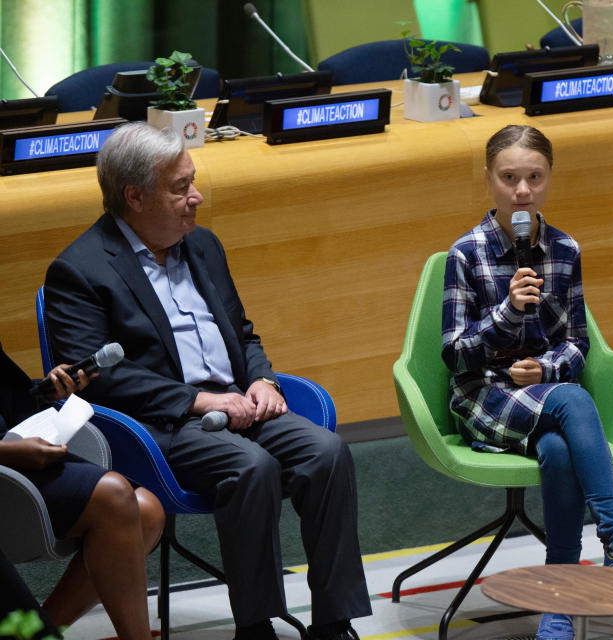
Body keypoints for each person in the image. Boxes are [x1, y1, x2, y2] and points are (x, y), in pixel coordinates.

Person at [42, 122, 370, 640]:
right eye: (179, 187)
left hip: (241, 404)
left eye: (192, 181)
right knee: (252, 466)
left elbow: (242, 332)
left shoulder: (202, 246)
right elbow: (100, 379)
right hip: (161, 426)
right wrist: (198, 400)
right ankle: (256, 625)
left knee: (327, 452)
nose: (195, 197)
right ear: (135, 196)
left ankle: (335, 622)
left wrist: (264, 381)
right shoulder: (79, 270)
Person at [442, 124, 613, 640]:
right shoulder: (465, 254)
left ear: (550, 177)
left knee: (557, 449)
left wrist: (546, 369)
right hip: (485, 394)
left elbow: (577, 343)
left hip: (546, 397)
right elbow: (455, 356)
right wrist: (508, 313)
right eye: (510, 177)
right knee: (573, 401)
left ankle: (559, 596)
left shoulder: (564, 249)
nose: (523, 191)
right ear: (489, 178)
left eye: (535, 177)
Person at [0, 342, 163, 640]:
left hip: (16, 449)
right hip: (6, 461)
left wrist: (46, 392)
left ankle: (37, 635)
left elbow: (8, 398)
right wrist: (6, 453)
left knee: (147, 511)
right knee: (113, 495)